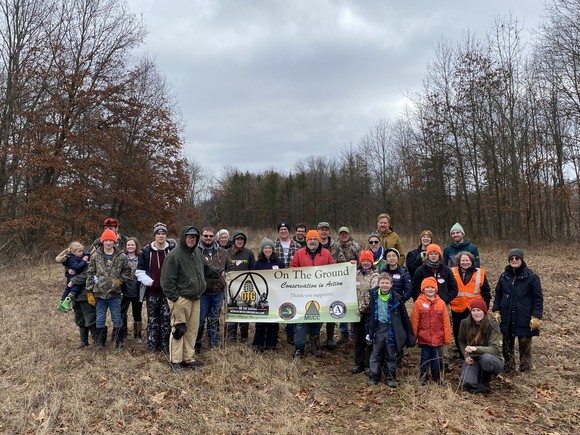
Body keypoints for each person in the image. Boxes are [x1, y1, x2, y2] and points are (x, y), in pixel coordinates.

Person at [160, 226, 223, 371]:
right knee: (179, 329)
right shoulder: (174, 255)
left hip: (196, 298)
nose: (191, 239)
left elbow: (206, 269)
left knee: (192, 330)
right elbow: (166, 282)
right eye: (189, 236)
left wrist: (220, 272)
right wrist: (175, 299)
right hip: (180, 299)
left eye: (194, 237)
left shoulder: (196, 253)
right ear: (183, 237)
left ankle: (188, 359)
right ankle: (175, 361)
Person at [492, 249, 543, 372]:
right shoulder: (504, 276)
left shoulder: (531, 277)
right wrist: (496, 310)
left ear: (521, 259)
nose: (514, 260)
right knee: (507, 341)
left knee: (524, 341)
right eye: (511, 259)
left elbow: (538, 298)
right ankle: (509, 366)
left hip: (524, 315)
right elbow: (498, 294)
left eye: (517, 258)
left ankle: (525, 368)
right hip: (507, 314)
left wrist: (536, 316)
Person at [411, 243, 458, 371]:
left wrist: (445, 300)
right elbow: (414, 287)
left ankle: (444, 361)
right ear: (427, 255)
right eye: (431, 253)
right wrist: (420, 301)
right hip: (424, 306)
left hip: (442, 306)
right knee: (426, 331)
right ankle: (427, 361)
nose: (433, 256)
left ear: (439, 255)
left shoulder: (446, 270)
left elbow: (454, 288)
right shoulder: (420, 270)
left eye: (435, 253)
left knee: (442, 331)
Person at [290, 230, 335, 358]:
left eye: (315, 239)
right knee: (300, 322)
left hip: (320, 295)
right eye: (310, 239)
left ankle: (314, 347)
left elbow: (334, 270)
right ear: (306, 241)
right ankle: (299, 349)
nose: (313, 241)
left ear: (319, 240)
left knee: (316, 321)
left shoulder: (326, 254)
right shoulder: (299, 253)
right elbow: (292, 268)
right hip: (302, 294)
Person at [86, 228, 131, 349]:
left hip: (114, 293)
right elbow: (90, 273)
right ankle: (100, 342)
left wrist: (119, 281)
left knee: (116, 317)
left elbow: (127, 271)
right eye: (106, 240)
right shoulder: (96, 256)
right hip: (99, 294)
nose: (108, 243)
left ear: (114, 242)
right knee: (100, 318)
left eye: (111, 240)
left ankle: (118, 341)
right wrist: (89, 291)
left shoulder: (121, 256)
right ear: (102, 241)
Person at [367, 273, 415, 387]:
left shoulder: (397, 299)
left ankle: (390, 377)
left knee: (391, 354)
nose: (384, 285)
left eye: (387, 283)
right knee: (375, 354)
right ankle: (374, 376)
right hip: (378, 328)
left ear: (391, 285)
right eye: (382, 283)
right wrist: (368, 332)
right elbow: (370, 316)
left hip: (392, 329)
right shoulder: (374, 297)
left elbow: (404, 318)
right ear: (378, 284)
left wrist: (410, 335)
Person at [136, 223, 176, 353]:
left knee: (166, 322)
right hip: (152, 293)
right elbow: (139, 271)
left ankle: (165, 347)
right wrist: (151, 282)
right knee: (153, 322)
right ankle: (152, 347)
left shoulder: (172, 250)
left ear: (166, 235)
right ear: (154, 236)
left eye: (163, 233)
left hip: (168, 294)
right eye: (158, 234)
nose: (161, 236)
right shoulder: (146, 252)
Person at [410, 277, 452, 385]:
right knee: (424, 359)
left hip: (438, 338)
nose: (430, 290)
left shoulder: (441, 303)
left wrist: (447, 338)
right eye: (427, 287)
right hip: (424, 338)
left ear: (436, 289)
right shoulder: (419, 303)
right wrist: (413, 337)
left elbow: (446, 322)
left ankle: (436, 377)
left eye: (432, 287)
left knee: (436, 359)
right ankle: (423, 377)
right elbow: (415, 321)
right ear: (423, 289)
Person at [450, 251, 491, 359]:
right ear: (459, 261)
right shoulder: (451, 271)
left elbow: (486, 292)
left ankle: (476, 353)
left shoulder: (479, 272)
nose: (465, 262)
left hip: (474, 308)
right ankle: (462, 354)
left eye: (467, 260)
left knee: (475, 330)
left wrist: (484, 307)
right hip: (457, 307)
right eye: (463, 260)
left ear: (472, 261)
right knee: (458, 331)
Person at [458, 299, 504, 394]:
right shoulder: (464, 323)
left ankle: (485, 379)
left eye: (479, 310)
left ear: (484, 311)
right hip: (473, 358)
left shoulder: (493, 325)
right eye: (473, 310)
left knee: (486, 359)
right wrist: (467, 357)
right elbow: (461, 341)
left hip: (492, 358)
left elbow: (494, 349)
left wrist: (475, 349)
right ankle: (476, 378)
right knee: (468, 382)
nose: (476, 313)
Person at [196, 227, 230, 352]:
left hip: (218, 292)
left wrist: (226, 275)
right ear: (201, 236)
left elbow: (229, 268)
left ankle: (213, 345)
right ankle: (196, 345)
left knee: (214, 319)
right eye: (206, 236)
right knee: (200, 320)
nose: (208, 238)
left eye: (211, 236)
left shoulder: (223, 252)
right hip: (202, 293)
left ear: (214, 237)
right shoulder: (196, 252)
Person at [317, 221, 346, 350]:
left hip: (331, 284)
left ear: (329, 231)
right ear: (318, 230)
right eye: (322, 229)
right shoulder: (313, 243)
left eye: (326, 229)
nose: (324, 232)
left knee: (331, 310)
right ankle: (315, 338)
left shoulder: (335, 246)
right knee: (316, 309)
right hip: (315, 285)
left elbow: (343, 262)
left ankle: (329, 338)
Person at [252, 238, 284, 352]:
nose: (267, 250)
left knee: (273, 321)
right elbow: (254, 279)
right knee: (261, 321)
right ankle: (258, 344)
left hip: (275, 296)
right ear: (262, 250)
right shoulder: (257, 263)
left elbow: (284, 278)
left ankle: (271, 344)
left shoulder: (279, 262)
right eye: (265, 248)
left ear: (273, 249)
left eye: (269, 247)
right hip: (262, 296)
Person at [273, 222, 302, 345]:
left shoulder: (297, 246)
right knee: (276, 305)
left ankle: (291, 334)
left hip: (293, 282)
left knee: (292, 305)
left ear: (289, 231)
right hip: (277, 282)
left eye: (285, 229)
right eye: (281, 229)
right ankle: (274, 332)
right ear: (278, 231)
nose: (283, 231)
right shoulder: (273, 245)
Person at [351, 250, 378, 375]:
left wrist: (363, 308)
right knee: (357, 338)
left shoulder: (375, 276)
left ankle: (368, 364)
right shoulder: (355, 274)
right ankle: (358, 363)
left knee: (368, 338)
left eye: (368, 261)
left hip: (368, 312)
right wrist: (349, 266)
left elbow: (372, 294)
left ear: (371, 262)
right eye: (364, 260)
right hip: (355, 312)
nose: (366, 263)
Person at [226, 231, 255, 342]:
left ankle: (244, 336)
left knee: (244, 310)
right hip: (230, 287)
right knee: (232, 310)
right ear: (234, 240)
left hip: (245, 287)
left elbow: (253, 270)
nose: (239, 241)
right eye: (237, 239)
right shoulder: (227, 252)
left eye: (242, 240)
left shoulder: (249, 253)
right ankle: (231, 336)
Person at [68, 257, 97, 348]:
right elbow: (68, 272)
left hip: (86, 294)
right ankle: (83, 341)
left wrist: (73, 280)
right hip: (75, 295)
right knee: (80, 318)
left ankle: (97, 341)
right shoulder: (73, 261)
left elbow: (88, 275)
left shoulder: (91, 261)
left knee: (90, 318)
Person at [55, 242, 90, 312]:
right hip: (73, 278)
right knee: (75, 289)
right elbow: (77, 267)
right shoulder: (71, 259)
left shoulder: (77, 256)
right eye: (79, 251)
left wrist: (86, 255)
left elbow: (86, 253)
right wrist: (83, 261)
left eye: (82, 251)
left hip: (72, 277)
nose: (82, 253)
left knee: (67, 289)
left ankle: (61, 303)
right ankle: (67, 301)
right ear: (73, 252)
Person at [120, 237, 143, 343]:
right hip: (124, 290)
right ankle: (123, 334)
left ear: (136, 246)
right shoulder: (121, 257)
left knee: (137, 313)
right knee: (122, 313)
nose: (130, 246)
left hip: (137, 290)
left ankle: (138, 335)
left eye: (132, 245)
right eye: (128, 245)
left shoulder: (141, 257)